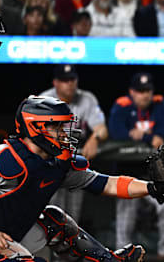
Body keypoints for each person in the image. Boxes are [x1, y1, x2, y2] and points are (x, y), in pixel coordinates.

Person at [0, 95, 164, 262]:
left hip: (11, 236)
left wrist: (152, 187)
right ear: (35, 127)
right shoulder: (5, 157)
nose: (64, 134)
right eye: (56, 126)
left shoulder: (56, 164)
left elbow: (108, 184)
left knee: (54, 220)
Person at [109, 72, 164, 257]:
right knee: (126, 220)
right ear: (132, 92)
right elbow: (116, 132)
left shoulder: (159, 103)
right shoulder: (122, 105)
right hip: (127, 176)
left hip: (154, 176)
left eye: (147, 90)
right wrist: (151, 137)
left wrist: (142, 136)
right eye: (140, 91)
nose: (145, 95)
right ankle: (122, 255)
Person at [39, 64, 109, 223]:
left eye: (72, 79)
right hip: (51, 159)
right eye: (64, 80)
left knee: (72, 218)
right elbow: (35, 134)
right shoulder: (44, 100)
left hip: (75, 158)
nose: (69, 83)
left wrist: (95, 138)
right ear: (55, 82)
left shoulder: (87, 99)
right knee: (52, 214)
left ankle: (70, 245)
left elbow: (102, 129)